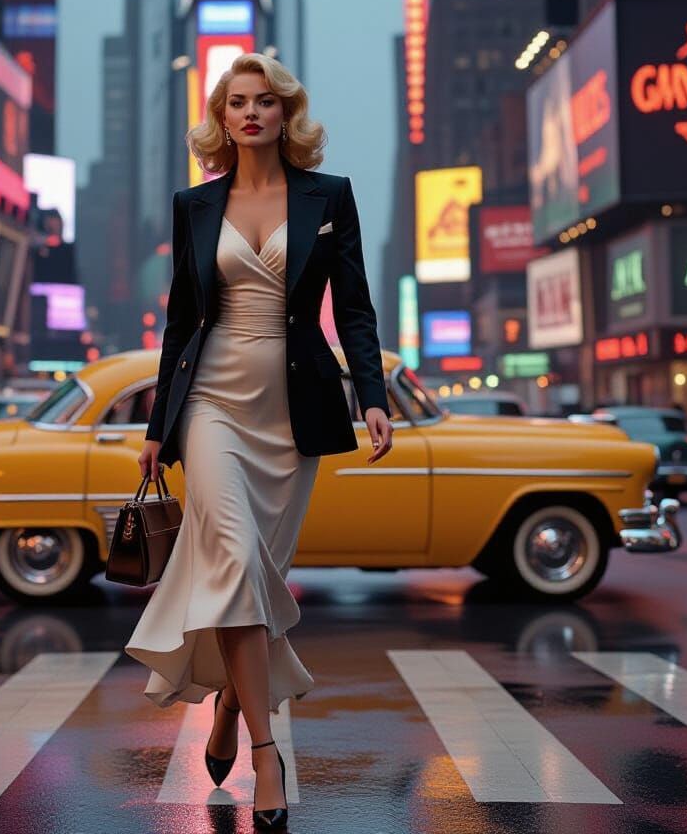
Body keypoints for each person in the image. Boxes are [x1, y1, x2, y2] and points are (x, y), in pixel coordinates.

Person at [126, 53, 394, 828]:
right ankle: (265, 751)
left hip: (292, 411)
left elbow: (355, 310)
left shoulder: (328, 197)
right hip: (211, 403)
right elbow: (180, 322)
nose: (250, 113)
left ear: (285, 114)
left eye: (264, 102)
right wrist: (157, 427)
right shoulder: (194, 204)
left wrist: (371, 397)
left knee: (254, 580)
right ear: (221, 117)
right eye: (236, 102)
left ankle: (225, 710)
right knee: (238, 563)